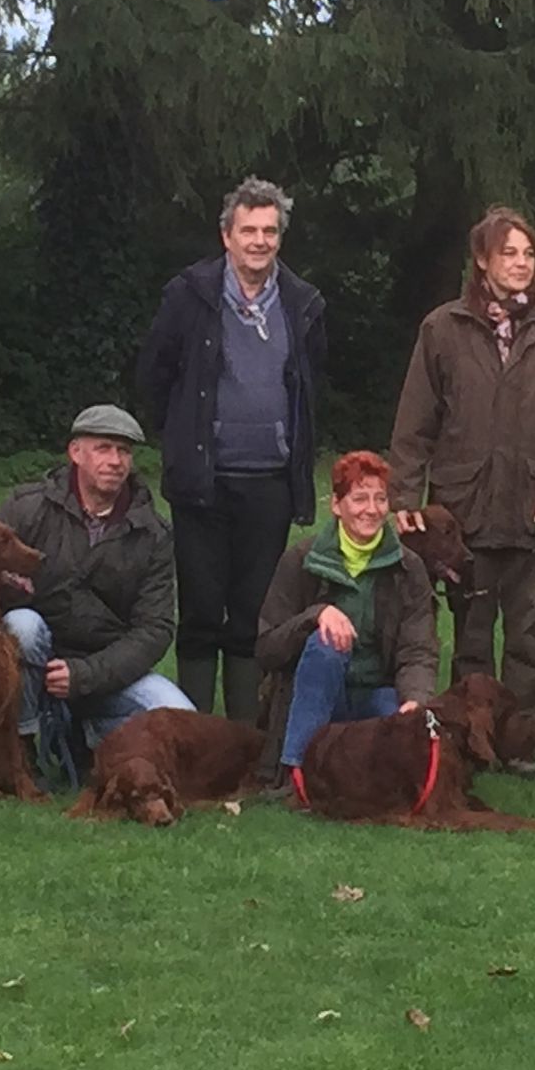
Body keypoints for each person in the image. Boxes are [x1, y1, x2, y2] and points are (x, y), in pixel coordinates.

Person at [387, 206, 535, 778]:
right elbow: (414, 424)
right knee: (471, 637)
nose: (522, 264)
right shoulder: (443, 329)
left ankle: (521, 743)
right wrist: (405, 500)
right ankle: (468, 740)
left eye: (529, 254)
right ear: (482, 260)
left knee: (529, 638)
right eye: (509, 253)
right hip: (462, 511)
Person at [0, 405, 191, 788]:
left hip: (104, 669)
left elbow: (155, 629)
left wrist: (86, 675)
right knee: (23, 626)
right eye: (104, 448)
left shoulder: (154, 532)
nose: (116, 461)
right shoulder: (29, 506)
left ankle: (83, 739)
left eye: (124, 452)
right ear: (76, 453)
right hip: (32, 663)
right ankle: (21, 752)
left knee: (180, 718)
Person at [138, 176, 328, 724]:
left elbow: (312, 385)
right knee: (200, 610)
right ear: (227, 236)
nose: (260, 241)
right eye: (249, 230)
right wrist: (183, 438)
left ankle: (245, 738)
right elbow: (154, 376)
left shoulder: (303, 303)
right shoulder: (189, 295)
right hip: (203, 480)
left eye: (270, 231)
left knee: (252, 614)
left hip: (270, 480)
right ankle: (194, 731)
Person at [257, 450, 441, 788]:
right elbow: (267, 648)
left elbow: (419, 649)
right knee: (326, 642)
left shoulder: (410, 567)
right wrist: (315, 617)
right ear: (337, 505)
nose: (371, 510)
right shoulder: (300, 559)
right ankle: (295, 775)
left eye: (380, 499)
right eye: (359, 499)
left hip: (376, 693)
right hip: (314, 694)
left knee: (397, 729)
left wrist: (416, 699)